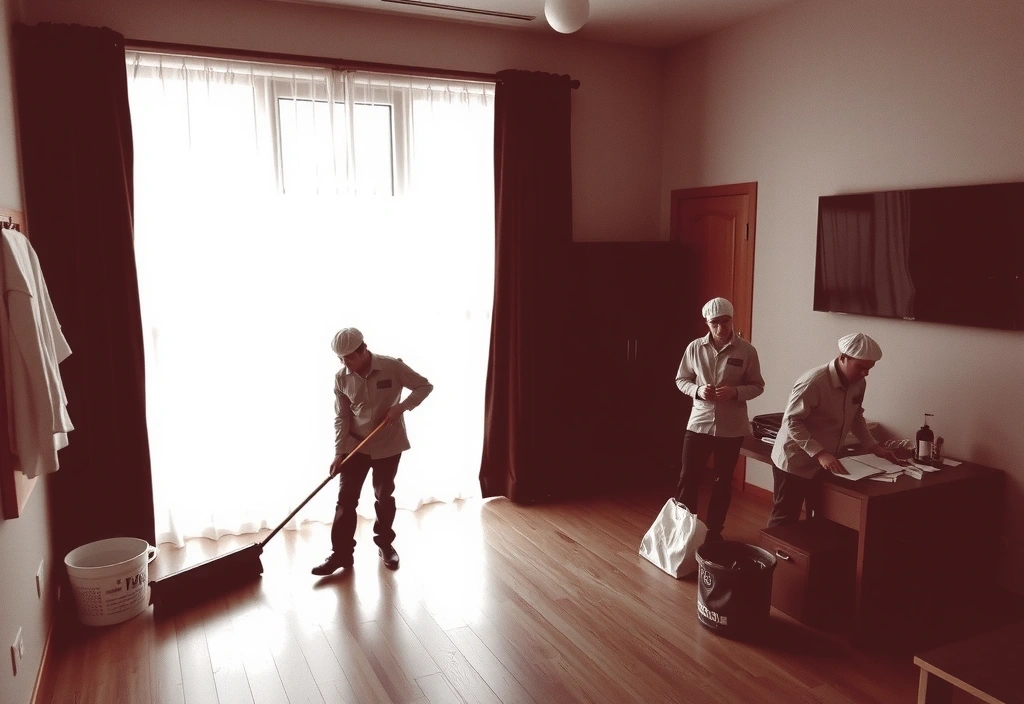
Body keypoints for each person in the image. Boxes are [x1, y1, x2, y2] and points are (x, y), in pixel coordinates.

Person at [312, 327, 433, 576]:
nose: (345, 363)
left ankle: (385, 544)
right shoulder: (341, 378)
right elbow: (342, 417)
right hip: (355, 447)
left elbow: (424, 386)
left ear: (364, 349)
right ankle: (341, 554)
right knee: (345, 501)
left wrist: (402, 407)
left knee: (384, 497)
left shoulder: (392, 367)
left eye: (349, 357)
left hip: (388, 444)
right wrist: (339, 453)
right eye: (341, 359)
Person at [767, 333, 904, 527]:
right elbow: (791, 421)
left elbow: (856, 418)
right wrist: (820, 453)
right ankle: (773, 547)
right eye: (861, 367)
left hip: (827, 462)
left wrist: (875, 448)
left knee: (819, 517)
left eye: (869, 368)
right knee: (785, 518)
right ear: (843, 357)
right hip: (795, 460)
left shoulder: (859, 383)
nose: (865, 373)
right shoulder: (814, 382)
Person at [674, 297, 765, 543]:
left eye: (725, 322)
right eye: (714, 323)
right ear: (707, 322)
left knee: (722, 481)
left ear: (732, 320)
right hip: (699, 423)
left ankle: (714, 532)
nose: (720, 328)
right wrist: (697, 390)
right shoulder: (695, 348)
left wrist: (735, 392)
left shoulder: (747, 351)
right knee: (688, 478)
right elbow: (681, 379)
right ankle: (684, 532)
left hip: (731, 428)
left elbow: (757, 385)